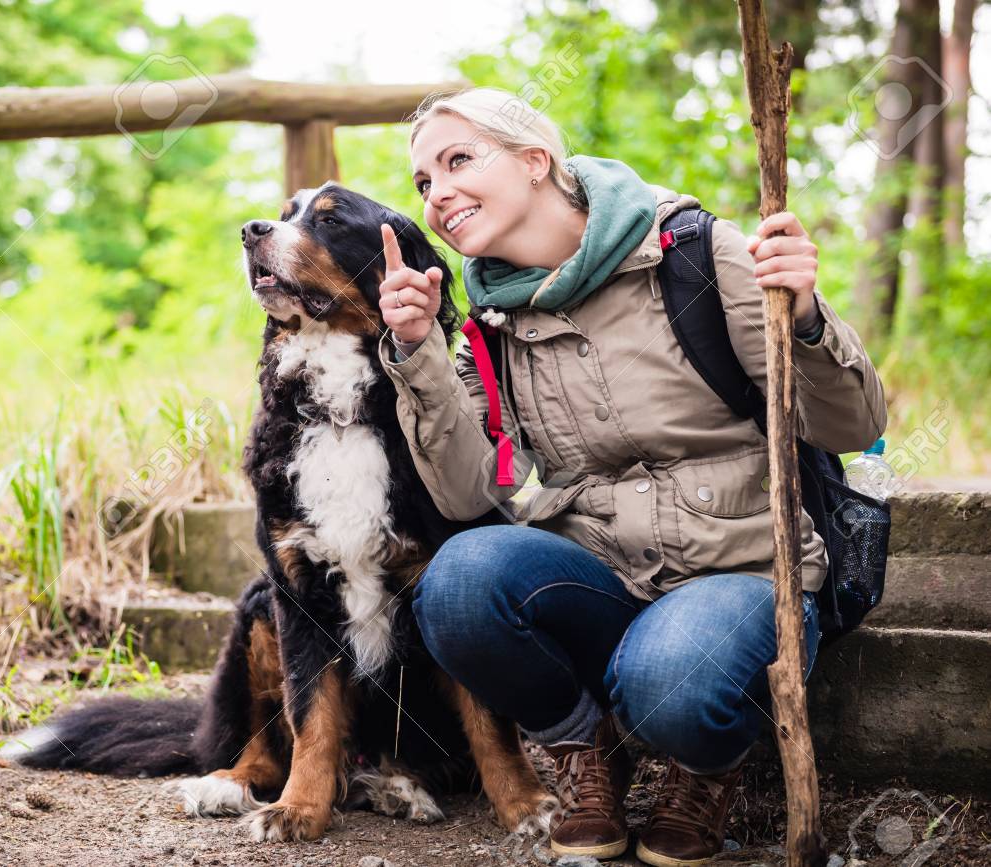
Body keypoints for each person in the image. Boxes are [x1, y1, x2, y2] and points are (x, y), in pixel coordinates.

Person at [375, 87, 886, 866]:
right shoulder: (488, 324)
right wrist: (419, 356)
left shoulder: (693, 253)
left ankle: (704, 766)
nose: (436, 194)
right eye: (422, 182)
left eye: (457, 161)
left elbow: (852, 424)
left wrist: (809, 318)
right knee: (459, 581)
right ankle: (588, 752)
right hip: (604, 572)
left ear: (536, 161)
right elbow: (467, 491)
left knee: (672, 683)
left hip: (741, 568)